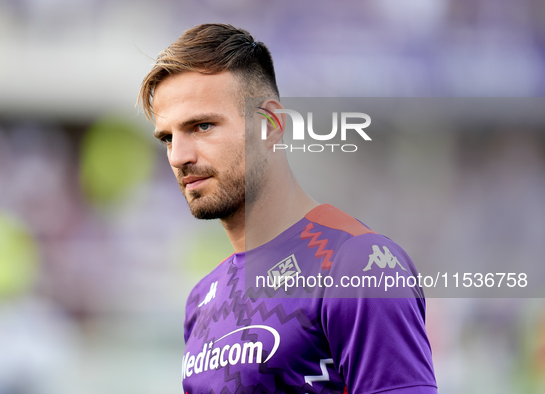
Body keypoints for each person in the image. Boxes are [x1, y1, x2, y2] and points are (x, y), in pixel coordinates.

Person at [138, 23, 437, 394]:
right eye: (168, 138)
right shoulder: (202, 298)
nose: (179, 157)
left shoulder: (357, 265)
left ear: (271, 125)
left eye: (202, 126)